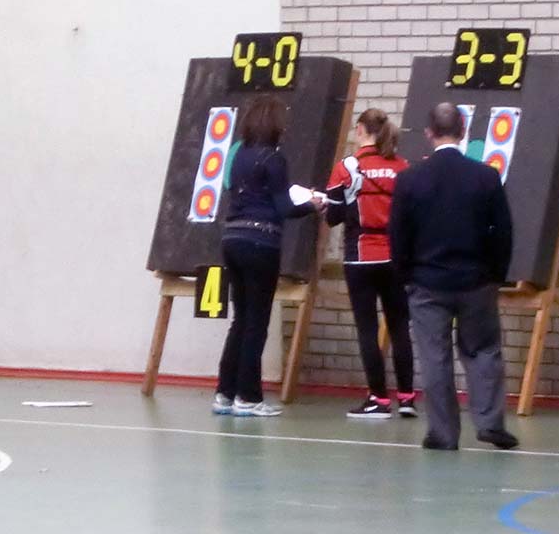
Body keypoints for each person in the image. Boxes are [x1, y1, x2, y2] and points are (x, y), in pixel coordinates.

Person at [389, 102, 518, 450]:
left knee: (435, 357)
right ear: (463, 131)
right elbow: (503, 231)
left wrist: (405, 276)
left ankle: (443, 434)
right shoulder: (486, 176)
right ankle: (490, 423)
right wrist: (496, 275)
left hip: (427, 283)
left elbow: (398, 234)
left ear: (428, 133)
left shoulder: (409, 179)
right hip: (476, 281)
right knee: (484, 351)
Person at [212, 95, 324, 417]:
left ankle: (225, 392)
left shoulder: (239, 155)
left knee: (240, 319)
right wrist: (312, 204)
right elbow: (284, 207)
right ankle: (248, 396)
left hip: (232, 239)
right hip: (261, 243)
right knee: (257, 322)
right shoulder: (274, 159)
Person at [325, 108, 416, 419]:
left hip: (360, 258)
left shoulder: (346, 168)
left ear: (361, 130)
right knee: (400, 326)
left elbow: (334, 216)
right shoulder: (403, 167)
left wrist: (322, 204)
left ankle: (379, 398)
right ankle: (407, 398)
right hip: (395, 258)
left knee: (367, 328)